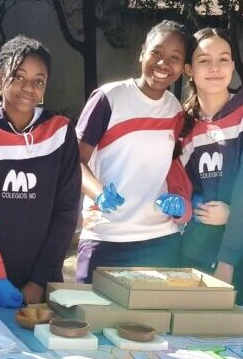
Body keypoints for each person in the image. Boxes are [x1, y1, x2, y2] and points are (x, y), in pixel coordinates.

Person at [0, 35, 80, 307]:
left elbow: (66, 212)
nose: (28, 87)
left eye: (39, 81)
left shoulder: (60, 131)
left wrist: (40, 280)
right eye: (18, 77)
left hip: (39, 282)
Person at [75, 20, 192, 283]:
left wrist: (180, 201)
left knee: (155, 312)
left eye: (174, 58)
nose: (163, 63)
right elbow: (74, 161)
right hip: (106, 236)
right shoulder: (109, 97)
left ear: (183, 67)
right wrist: (99, 193)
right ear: (142, 53)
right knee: (90, 309)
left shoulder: (176, 110)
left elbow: (172, 167)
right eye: (156, 52)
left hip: (160, 240)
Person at [176, 28, 243, 304]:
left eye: (223, 59)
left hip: (239, 259)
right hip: (192, 254)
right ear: (189, 70)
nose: (215, 68)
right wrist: (188, 204)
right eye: (204, 60)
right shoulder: (183, 125)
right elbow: (177, 184)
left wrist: (227, 260)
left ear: (232, 66)